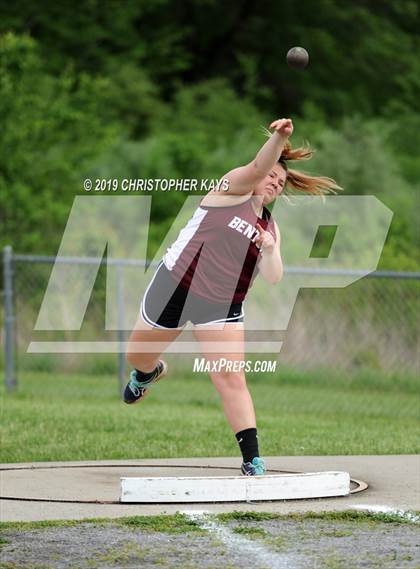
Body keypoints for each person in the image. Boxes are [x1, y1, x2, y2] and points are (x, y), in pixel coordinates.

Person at [124, 118, 340, 476]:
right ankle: (147, 374)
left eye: (281, 183)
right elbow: (257, 166)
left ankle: (252, 459)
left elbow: (274, 277)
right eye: (272, 174)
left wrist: (270, 250)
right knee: (136, 355)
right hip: (175, 284)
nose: (274, 181)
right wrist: (279, 138)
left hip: (220, 306)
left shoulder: (270, 227)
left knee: (230, 376)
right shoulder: (230, 190)